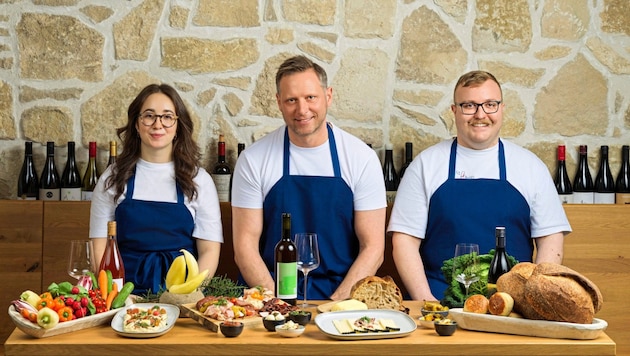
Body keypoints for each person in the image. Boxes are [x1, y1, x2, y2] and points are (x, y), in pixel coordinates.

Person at [387, 70, 571, 301]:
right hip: (441, 302)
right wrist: (427, 301)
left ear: (502, 109)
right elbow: (404, 241)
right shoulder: (425, 165)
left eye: (490, 104)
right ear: (454, 111)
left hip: (511, 306)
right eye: (469, 105)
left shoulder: (530, 167)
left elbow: (550, 240)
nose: (480, 114)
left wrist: (532, 298)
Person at [231, 55, 386, 301]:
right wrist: (277, 304)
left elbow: (374, 249)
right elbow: (244, 248)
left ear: (328, 96)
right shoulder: (253, 160)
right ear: (279, 102)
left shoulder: (361, 159)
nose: (302, 110)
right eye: (292, 100)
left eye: (310, 97)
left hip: (341, 292)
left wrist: (336, 304)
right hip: (271, 291)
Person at [89, 84, 223, 295]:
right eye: (149, 116)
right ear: (136, 123)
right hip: (124, 295)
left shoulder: (199, 180)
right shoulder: (112, 178)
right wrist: (115, 297)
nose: (158, 124)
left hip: (180, 297)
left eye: (167, 117)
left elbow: (209, 251)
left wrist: (187, 295)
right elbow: (99, 248)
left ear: (178, 125)